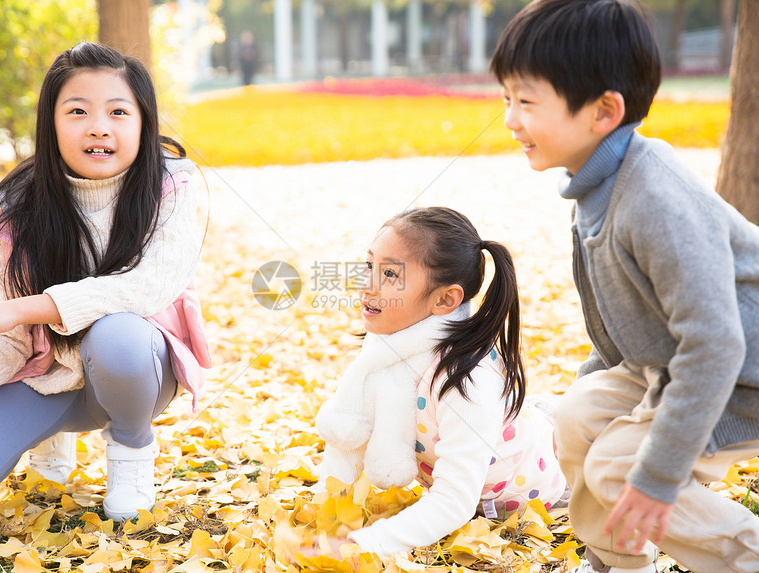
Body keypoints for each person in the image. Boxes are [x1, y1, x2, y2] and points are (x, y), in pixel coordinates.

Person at [491, 1, 759, 572]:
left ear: (604, 111)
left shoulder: (653, 198)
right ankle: (615, 559)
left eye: (526, 101)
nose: (510, 119)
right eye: (507, 99)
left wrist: (657, 476)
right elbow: (621, 324)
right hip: (672, 364)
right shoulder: (595, 190)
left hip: (741, 374)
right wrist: (594, 387)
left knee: (620, 466)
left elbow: (716, 345)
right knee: (579, 417)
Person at [0, 42, 211, 522]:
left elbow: (146, 286)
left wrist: (26, 308)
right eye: (78, 110)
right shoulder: (17, 203)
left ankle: (130, 453)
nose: (99, 126)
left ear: (144, 122)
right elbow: (9, 339)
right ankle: (51, 434)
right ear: (51, 123)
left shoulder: (171, 185)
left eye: (118, 111)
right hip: (51, 374)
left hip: (137, 369)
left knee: (117, 332)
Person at [312, 206, 568, 557]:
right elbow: (347, 443)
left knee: (578, 434)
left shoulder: (465, 381)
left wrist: (364, 544)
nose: (367, 285)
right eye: (369, 265)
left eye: (390, 274)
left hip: (538, 488)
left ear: (445, 299)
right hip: (478, 482)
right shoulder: (385, 353)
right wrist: (326, 521)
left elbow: (453, 502)